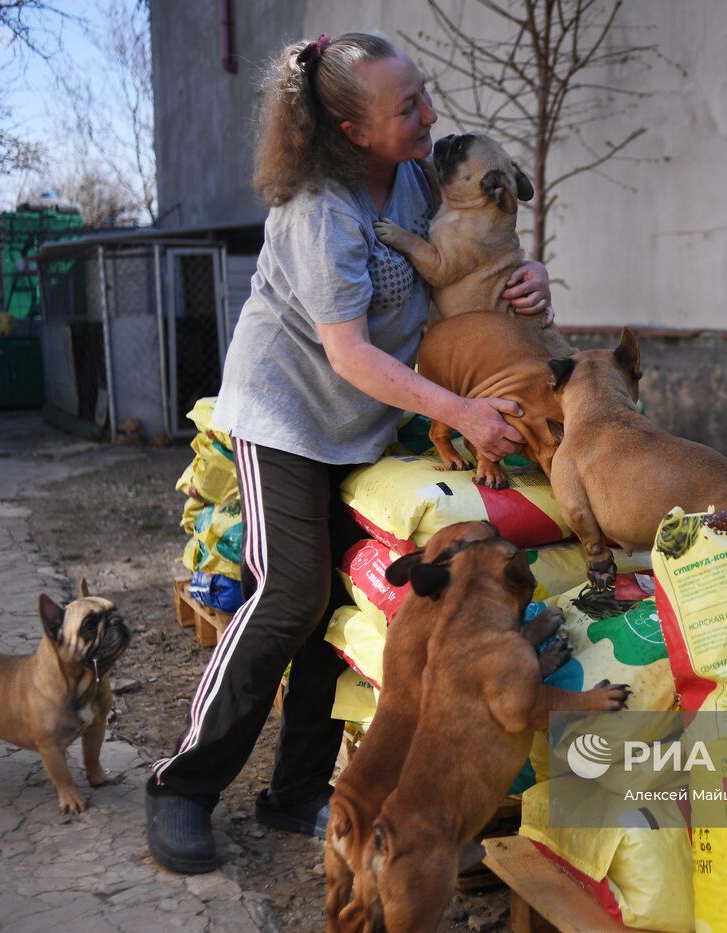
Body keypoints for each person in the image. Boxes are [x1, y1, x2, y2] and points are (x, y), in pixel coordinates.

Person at [145, 31, 552, 874]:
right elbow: (351, 353)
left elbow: (473, 254)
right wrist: (462, 412)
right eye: (407, 109)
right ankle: (183, 786)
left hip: (365, 421)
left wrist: (530, 278)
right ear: (352, 131)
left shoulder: (416, 174)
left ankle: (297, 791)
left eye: (423, 95)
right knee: (290, 593)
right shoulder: (318, 209)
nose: (430, 116)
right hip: (287, 416)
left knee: (335, 604)